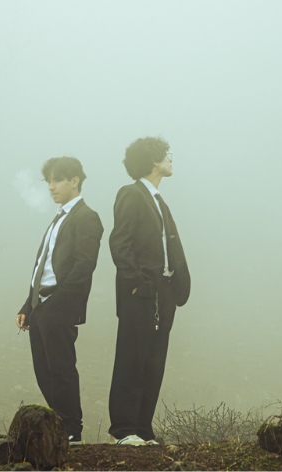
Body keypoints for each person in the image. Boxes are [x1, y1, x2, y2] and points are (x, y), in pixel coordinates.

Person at [107, 137, 190, 446]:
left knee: (154, 362)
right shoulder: (131, 194)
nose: (171, 160)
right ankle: (124, 430)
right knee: (132, 358)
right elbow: (120, 243)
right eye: (167, 155)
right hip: (140, 293)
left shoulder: (158, 200)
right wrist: (137, 283)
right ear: (154, 161)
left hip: (164, 293)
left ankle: (143, 430)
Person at [15, 156, 103, 445]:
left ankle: (72, 430)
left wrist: (56, 301)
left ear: (74, 180)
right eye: (48, 181)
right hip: (40, 306)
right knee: (44, 372)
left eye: (56, 180)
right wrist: (28, 305)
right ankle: (60, 428)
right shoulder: (58, 218)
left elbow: (84, 265)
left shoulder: (87, 216)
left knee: (61, 369)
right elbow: (43, 266)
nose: (51, 187)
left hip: (60, 305)